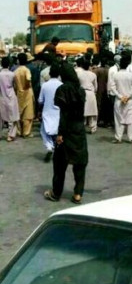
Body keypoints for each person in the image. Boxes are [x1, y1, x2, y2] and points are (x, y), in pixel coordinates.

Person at [44, 63, 88, 204]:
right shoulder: (81, 91)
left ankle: (56, 193)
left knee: (59, 163)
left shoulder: (62, 90)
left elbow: (63, 114)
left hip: (67, 129)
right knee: (80, 163)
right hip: (79, 129)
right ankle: (78, 194)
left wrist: (60, 134)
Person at [38, 63, 63, 162]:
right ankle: (59, 149)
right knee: (57, 132)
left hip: (47, 112)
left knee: (44, 131)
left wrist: (39, 110)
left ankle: (49, 147)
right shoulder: (62, 85)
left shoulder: (45, 85)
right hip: (59, 112)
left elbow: (40, 100)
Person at [109, 55, 132, 143]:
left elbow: (112, 87)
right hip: (129, 100)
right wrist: (127, 96)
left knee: (118, 119)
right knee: (131, 119)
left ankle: (118, 138)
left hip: (119, 100)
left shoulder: (116, 75)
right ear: (127, 65)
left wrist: (121, 97)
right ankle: (131, 137)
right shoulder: (131, 75)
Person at [13, 52, 35, 137]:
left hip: (18, 93)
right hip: (27, 92)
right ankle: (26, 132)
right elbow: (28, 79)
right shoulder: (26, 70)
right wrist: (27, 86)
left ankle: (19, 131)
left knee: (19, 112)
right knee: (28, 114)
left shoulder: (16, 71)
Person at [76, 57, 98, 133]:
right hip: (91, 93)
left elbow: (77, 84)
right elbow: (96, 86)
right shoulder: (93, 75)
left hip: (82, 92)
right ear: (89, 66)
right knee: (93, 111)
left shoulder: (79, 74)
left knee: (83, 111)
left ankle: (82, 125)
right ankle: (93, 127)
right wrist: (94, 91)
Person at [0, 57, 20, 142]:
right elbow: (16, 86)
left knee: (0, 117)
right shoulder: (12, 74)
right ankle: (10, 135)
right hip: (11, 96)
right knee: (12, 117)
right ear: (9, 64)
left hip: (1, 97)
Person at [92, 55, 113, 128]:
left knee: (98, 105)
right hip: (107, 88)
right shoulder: (109, 70)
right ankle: (107, 121)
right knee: (106, 105)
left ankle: (97, 120)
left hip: (99, 89)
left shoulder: (98, 70)